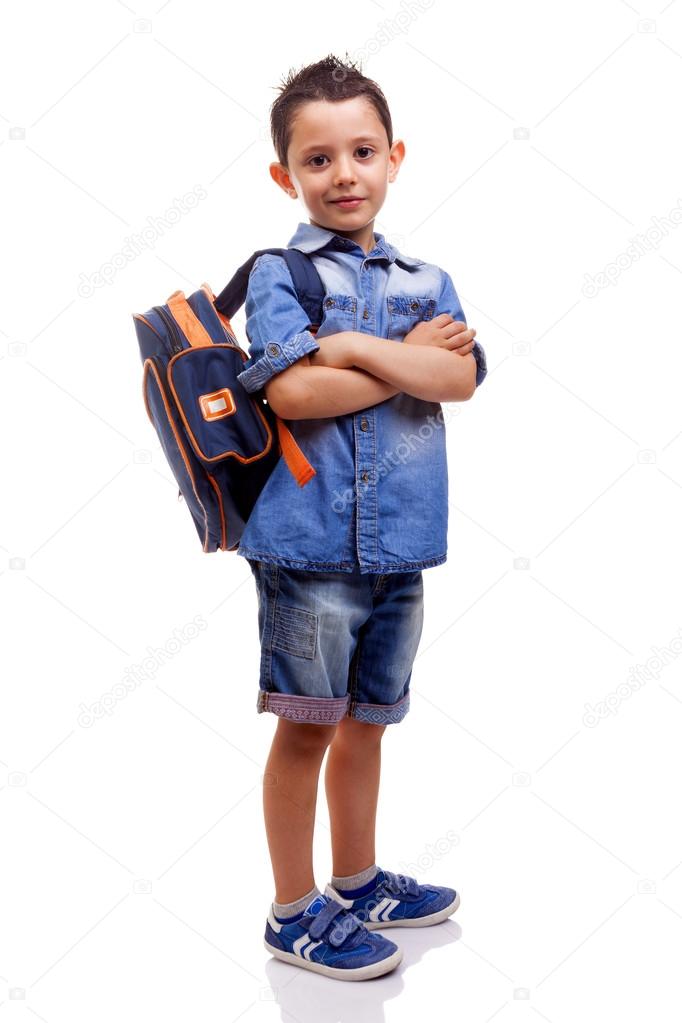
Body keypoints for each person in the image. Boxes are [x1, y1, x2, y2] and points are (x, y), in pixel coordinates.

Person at [235, 53, 488, 981]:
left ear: (394, 158)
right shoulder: (280, 274)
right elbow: (293, 395)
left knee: (368, 722)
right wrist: (384, 353)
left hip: (402, 548)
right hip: (308, 549)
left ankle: (358, 879)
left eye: (363, 151)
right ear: (285, 175)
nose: (344, 174)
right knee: (306, 723)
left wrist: (345, 349)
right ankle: (293, 912)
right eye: (318, 158)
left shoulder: (430, 278)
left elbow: (456, 376)